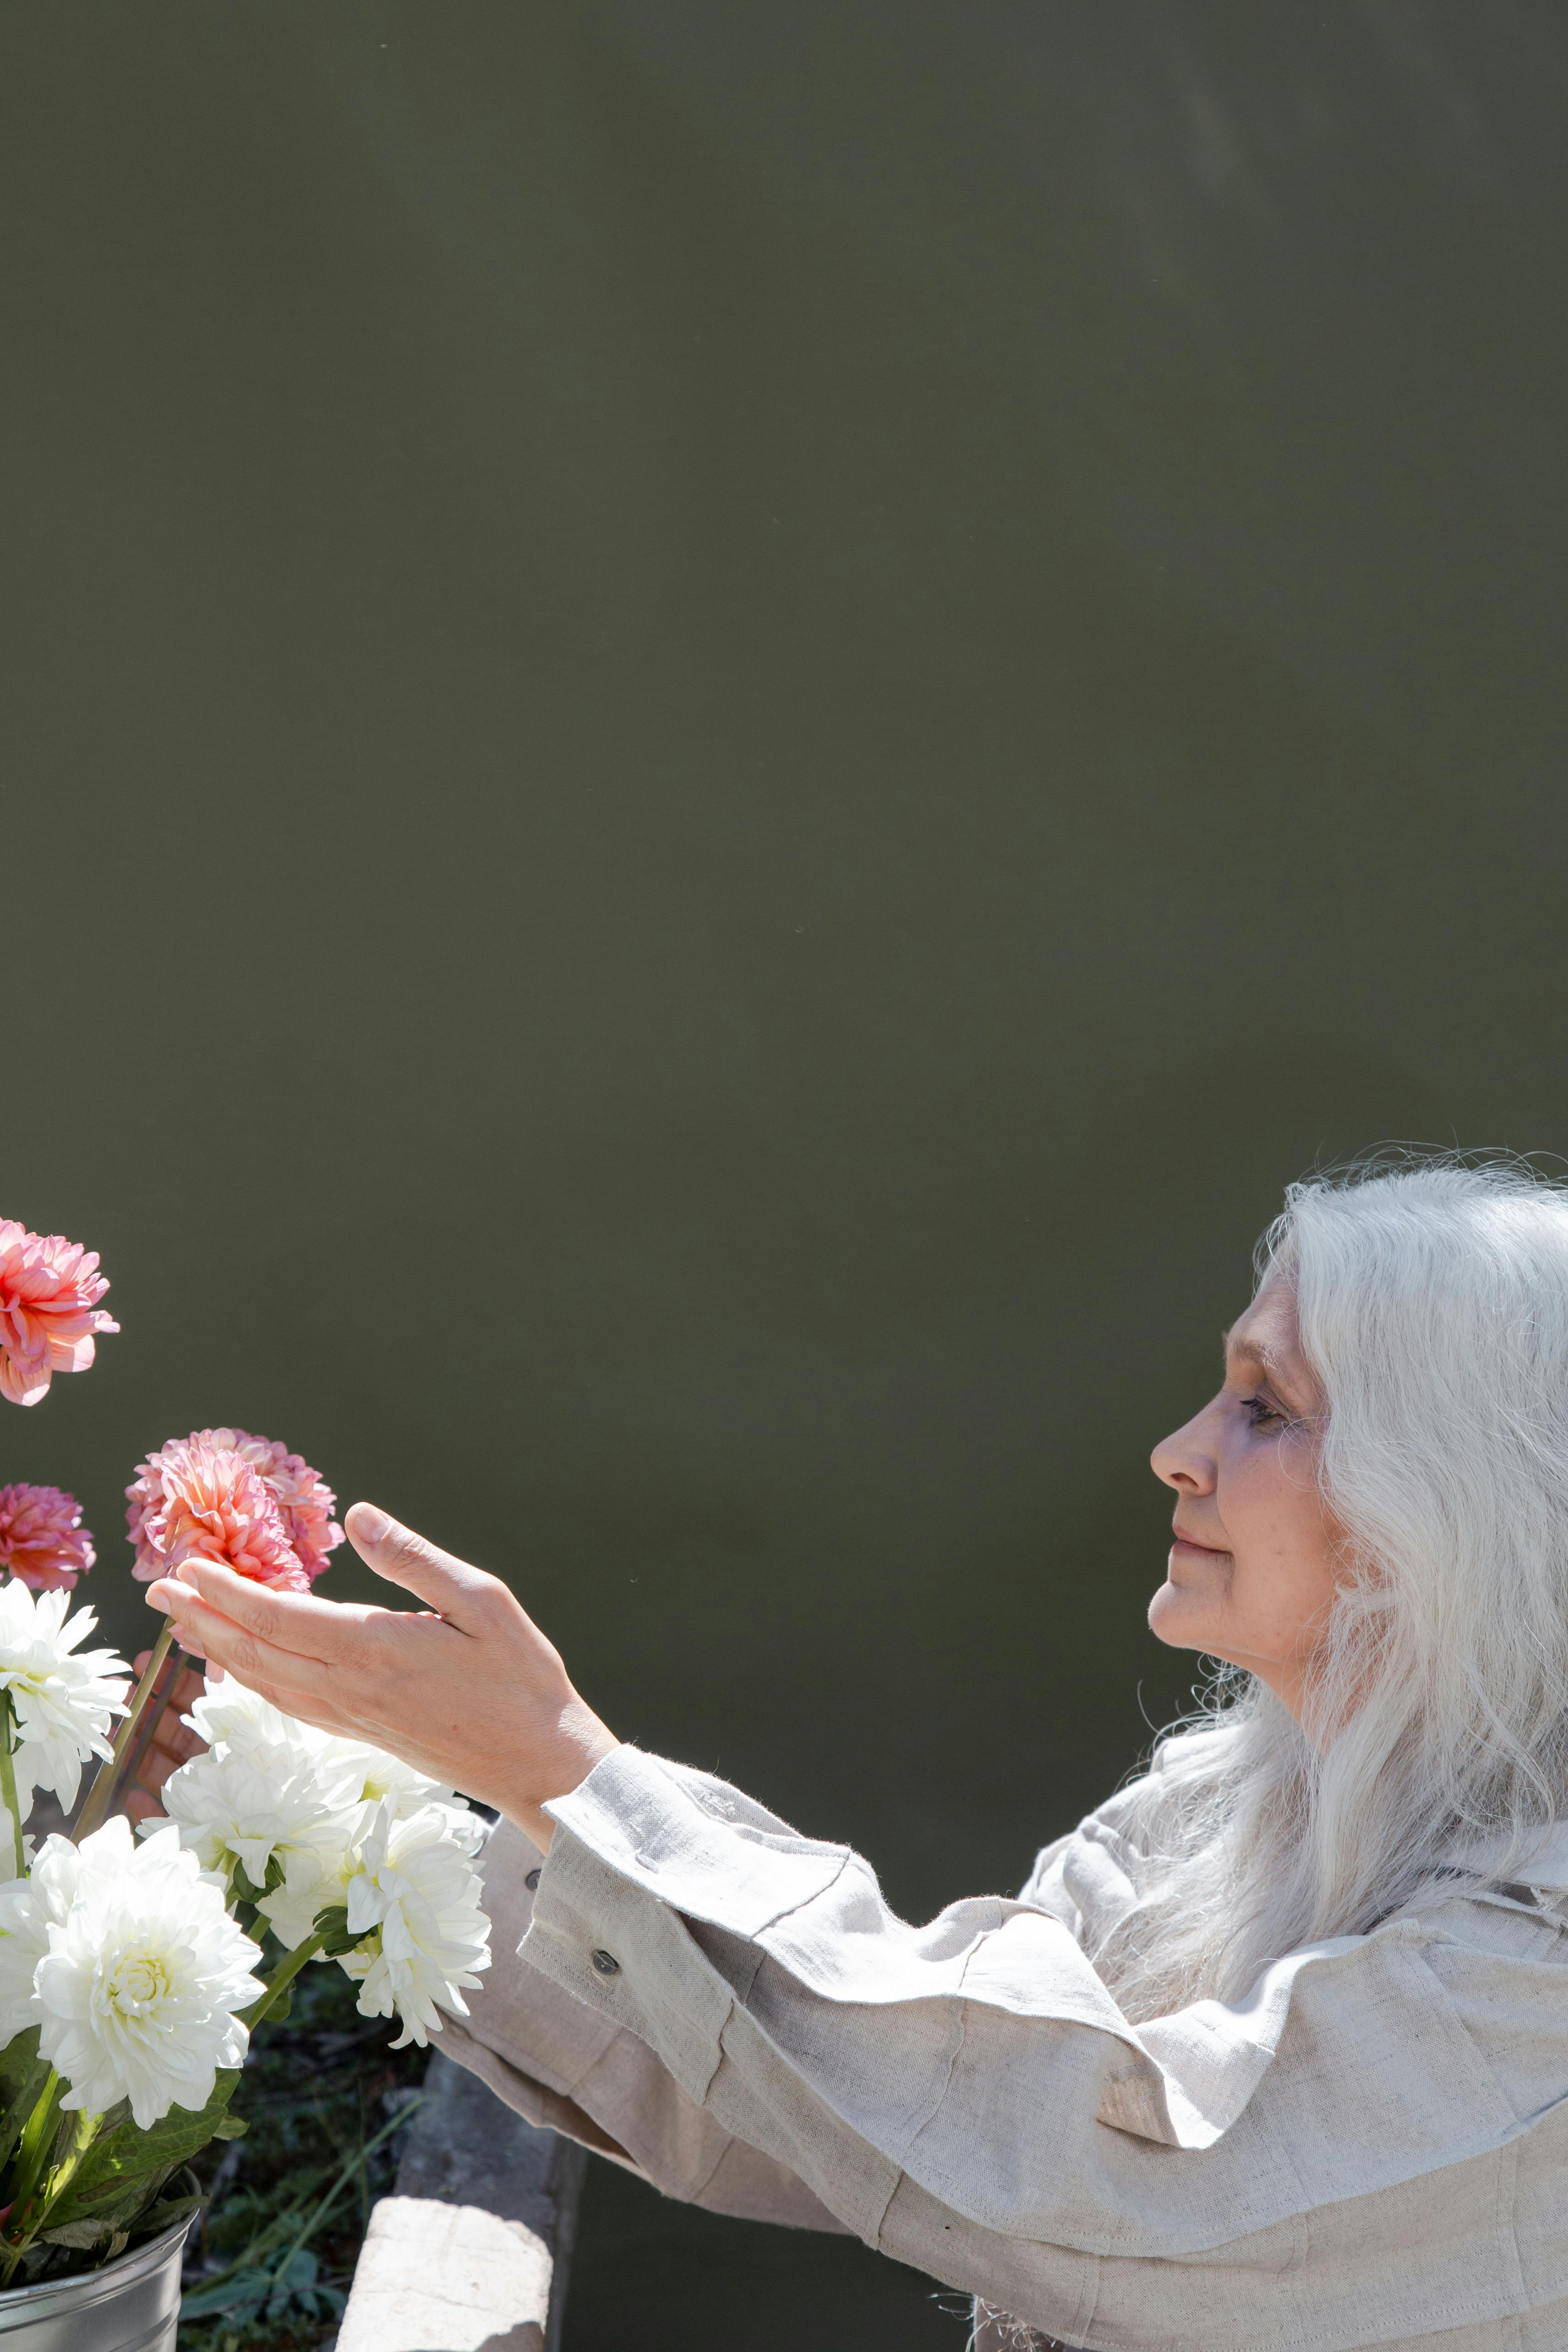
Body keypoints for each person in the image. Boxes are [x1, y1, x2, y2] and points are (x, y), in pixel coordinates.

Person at [133, 1158, 1568, 2349]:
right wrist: (354, 1814)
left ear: (1448, 1505)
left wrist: (571, 1775)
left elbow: (1124, 2169)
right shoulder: (1213, 1809)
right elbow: (871, 2118)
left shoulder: (1544, 1964)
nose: (1180, 1451)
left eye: (1270, 1407)